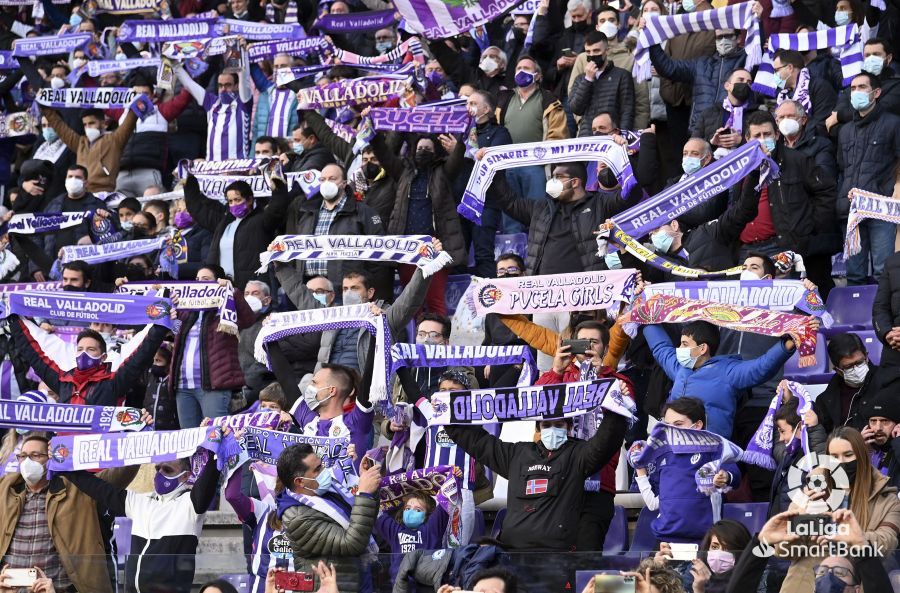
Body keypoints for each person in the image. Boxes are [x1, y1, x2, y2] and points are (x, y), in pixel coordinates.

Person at [441, 391, 629, 551]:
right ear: (538, 428)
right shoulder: (517, 454)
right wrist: (446, 415)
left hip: (558, 555)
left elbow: (606, 442)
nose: (552, 430)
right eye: (546, 425)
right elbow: (479, 443)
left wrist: (615, 408)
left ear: (569, 428)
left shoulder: (578, 454)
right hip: (512, 553)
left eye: (559, 425)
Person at [62, 450, 223, 593]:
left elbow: (208, 479)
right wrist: (63, 463)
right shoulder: (141, 501)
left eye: (167, 469)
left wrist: (216, 448)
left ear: (186, 475)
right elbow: (99, 489)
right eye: (157, 468)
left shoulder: (190, 505)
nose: (159, 473)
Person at [537, 321, 634, 551]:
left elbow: (627, 415)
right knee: (555, 557)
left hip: (597, 483)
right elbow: (536, 406)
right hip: (558, 479)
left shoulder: (618, 382)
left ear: (606, 347)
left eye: (594, 342)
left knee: (587, 554)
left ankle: (599, 587)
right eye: (582, 341)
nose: (587, 347)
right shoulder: (559, 375)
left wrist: (599, 377)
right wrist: (556, 371)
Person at [0, 434, 137, 593]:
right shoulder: (5, 490)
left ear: (51, 459)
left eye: (35, 455)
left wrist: (140, 431)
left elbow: (122, 472)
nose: (27, 462)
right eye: (22, 456)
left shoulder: (78, 489)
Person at [643, 319, 796, 438]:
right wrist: (645, 312)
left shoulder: (728, 371)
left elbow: (761, 367)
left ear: (702, 348)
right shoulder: (679, 369)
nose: (679, 349)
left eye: (684, 344)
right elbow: (660, 348)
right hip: (675, 447)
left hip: (711, 451)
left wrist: (787, 345)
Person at [369, 128, 466, 314]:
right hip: (408, 248)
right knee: (413, 304)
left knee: (435, 301)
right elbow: (383, 154)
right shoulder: (402, 171)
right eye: (420, 148)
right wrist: (372, 135)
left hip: (436, 247)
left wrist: (460, 142)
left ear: (436, 152)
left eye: (428, 149)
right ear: (413, 150)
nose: (423, 151)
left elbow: (456, 159)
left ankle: (438, 340)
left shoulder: (443, 172)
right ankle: (416, 342)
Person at [738, 111, 837, 292]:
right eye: (757, 136)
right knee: (750, 307)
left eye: (767, 134)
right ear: (747, 139)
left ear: (777, 135)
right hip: (748, 250)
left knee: (784, 305)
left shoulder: (798, 160)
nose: (762, 139)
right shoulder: (739, 167)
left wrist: (809, 226)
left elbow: (827, 191)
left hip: (782, 246)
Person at [633, 397, 741, 545]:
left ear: (697, 425)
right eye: (667, 425)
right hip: (666, 540)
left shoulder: (712, 447)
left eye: (678, 424)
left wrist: (725, 477)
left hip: (704, 538)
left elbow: (733, 473)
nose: (671, 430)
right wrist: (640, 469)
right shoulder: (661, 453)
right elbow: (655, 502)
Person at [277, 443, 383, 592]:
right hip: (334, 587)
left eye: (321, 465)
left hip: (358, 579)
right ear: (299, 481)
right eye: (317, 470)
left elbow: (364, 523)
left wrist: (368, 487)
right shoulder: (297, 518)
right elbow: (351, 543)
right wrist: (364, 494)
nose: (324, 471)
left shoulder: (328, 490)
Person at [282, 163, 391, 302]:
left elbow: (379, 258)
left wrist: (375, 297)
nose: (326, 183)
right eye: (322, 180)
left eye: (332, 178)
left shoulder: (363, 213)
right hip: (309, 291)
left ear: (344, 183)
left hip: (345, 292)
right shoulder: (306, 213)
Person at [169, 267, 256, 428]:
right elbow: (171, 330)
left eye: (206, 279)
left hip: (213, 386)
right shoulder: (186, 310)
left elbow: (248, 319)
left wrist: (232, 291)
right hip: (183, 385)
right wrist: (171, 309)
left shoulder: (226, 307)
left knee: (215, 439)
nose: (200, 283)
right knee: (190, 443)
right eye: (197, 279)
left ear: (218, 282)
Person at [10, 319, 169, 407]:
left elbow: (143, 349)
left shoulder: (113, 382)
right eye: (80, 349)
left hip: (96, 457)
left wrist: (161, 319)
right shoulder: (63, 381)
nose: (84, 353)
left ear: (103, 357)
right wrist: (14, 319)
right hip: (64, 455)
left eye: (91, 349)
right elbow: (34, 351)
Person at [838, 71, 900, 284]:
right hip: (852, 209)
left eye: (862, 87)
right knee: (854, 273)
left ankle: (888, 317)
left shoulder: (893, 123)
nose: (856, 92)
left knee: (884, 270)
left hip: (881, 208)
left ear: (877, 92)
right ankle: (857, 317)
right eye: (853, 88)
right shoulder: (845, 130)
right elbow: (842, 168)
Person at [495, 55, 568, 233]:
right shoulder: (505, 99)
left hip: (535, 166)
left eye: (526, 68)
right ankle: (513, 255)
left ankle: (538, 254)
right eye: (518, 68)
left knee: (537, 213)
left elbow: (558, 134)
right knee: (510, 216)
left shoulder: (549, 100)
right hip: (508, 165)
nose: (521, 71)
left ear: (537, 75)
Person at [182, 175, 292, 290]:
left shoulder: (261, 220)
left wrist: (278, 186)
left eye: (237, 200)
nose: (234, 204)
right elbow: (197, 210)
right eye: (230, 201)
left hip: (252, 288)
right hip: (221, 288)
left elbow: (277, 209)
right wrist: (189, 183)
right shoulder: (223, 223)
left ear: (249, 200)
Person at [825, 426, 900, 552]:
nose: (841, 462)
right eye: (834, 457)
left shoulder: (888, 500)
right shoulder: (811, 489)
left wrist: (857, 538)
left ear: (862, 455)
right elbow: (784, 549)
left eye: (848, 455)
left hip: (856, 569)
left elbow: (887, 541)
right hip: (811, 570)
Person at [40, 106, 138, 193]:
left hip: (104, 194)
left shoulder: (114, 140)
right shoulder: (80, 143)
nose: (88, 127)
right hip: (81, 194)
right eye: (85, 124)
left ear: (103, 124)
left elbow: (129, 122)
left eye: (91, 123)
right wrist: (44, 106)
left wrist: (137, 102)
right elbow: (60, 127)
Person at [175, 54, 254, 161]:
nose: (223, 89)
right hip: (213, 168)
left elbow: (245, 79)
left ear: (236, 86)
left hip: (237, 167)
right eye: (220, 85)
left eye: (227, 85)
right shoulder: (211, 102)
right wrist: (174, 64)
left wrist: (243, 52)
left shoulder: (243, 103)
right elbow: (189, 84)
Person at [569, 31, 635, 136]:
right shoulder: (581, 79)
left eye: (596, 51)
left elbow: (627, 112)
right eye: (588, 52)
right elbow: (576, 109)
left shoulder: (622, 76)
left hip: (612, 138)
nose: (592, 55)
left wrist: (623, 136)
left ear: (607, 51)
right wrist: (588, 80)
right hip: (587, 136)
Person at [813, 333, 882, 433]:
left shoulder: (885, 382)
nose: (856, 369)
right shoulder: (826, 400)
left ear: (866, 356)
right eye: (849, 367)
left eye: (859, 362)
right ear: (837, 370)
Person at [770, 49, 838, 132]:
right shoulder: (783, 95)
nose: (774, 75)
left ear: (790, 68)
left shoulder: (819, 87)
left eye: (776, 70)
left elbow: (821, 123)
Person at [692, 69, 758, 152]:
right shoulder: (709, 113)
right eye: (740, 80)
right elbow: (693, 144)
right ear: (727, 86)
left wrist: (741, 141)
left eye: (749, 82)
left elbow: (765, 143)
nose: (745, 84)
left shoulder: (757, 114)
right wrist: (712, 142)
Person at [681, 520, 751, 593]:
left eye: (728, 549)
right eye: (714, 547)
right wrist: (698, 588)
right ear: (708, 547)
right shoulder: (697, 568)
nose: (719, 554)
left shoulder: (753, 573)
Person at [860, 389, 900, 490]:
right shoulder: (865, 448)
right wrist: (859, 449)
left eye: (885, 421)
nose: (878, 428)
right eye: (873, 421)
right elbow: (843, 483)